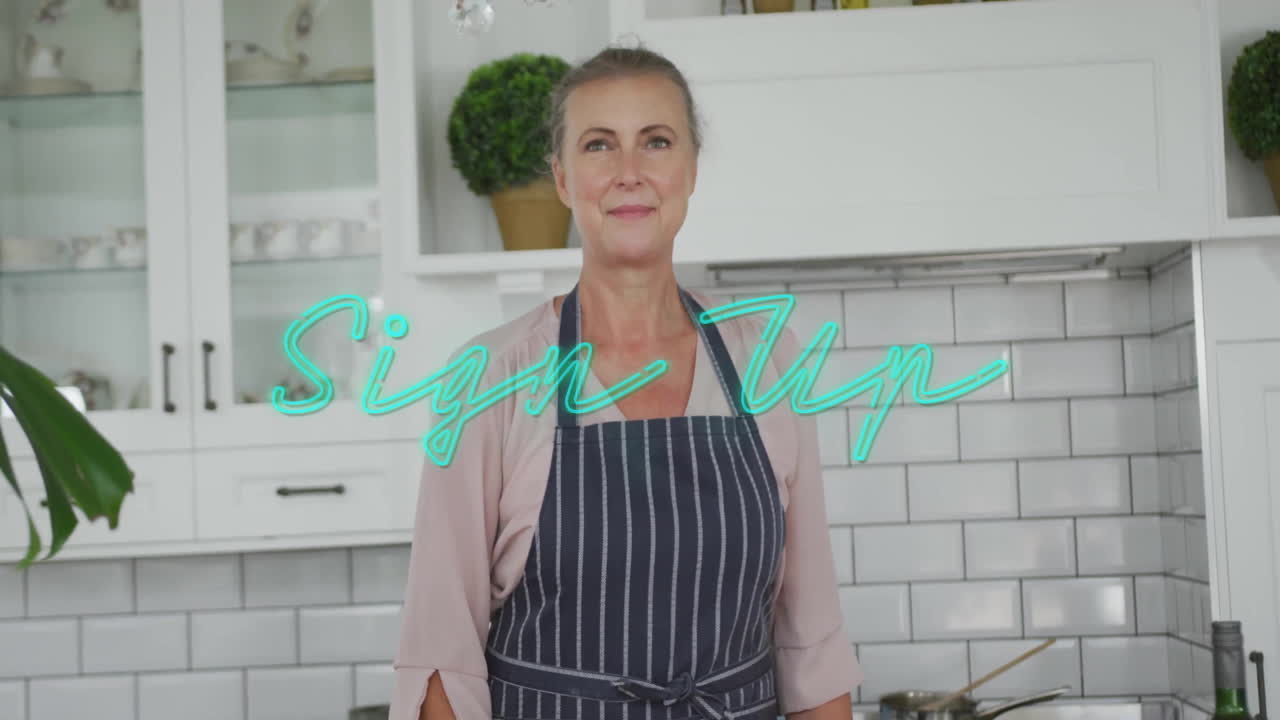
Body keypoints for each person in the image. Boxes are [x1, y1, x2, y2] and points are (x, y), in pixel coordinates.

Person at [390, 44, 863, 720]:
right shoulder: (491, 378)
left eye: (657, 141)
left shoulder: (770, 362)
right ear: (561, 179)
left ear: (691, 169)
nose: (630, 173)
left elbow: (811, 646)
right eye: (600, 146)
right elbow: (441, 663)